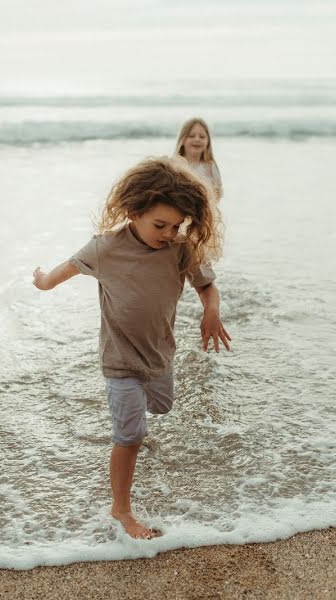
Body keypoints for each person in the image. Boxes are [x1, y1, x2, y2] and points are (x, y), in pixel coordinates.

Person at [31, 157, 231, 540]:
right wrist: (40, 280)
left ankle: (136, 427)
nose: (168, 232)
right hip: (119, 360)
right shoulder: (105, 249)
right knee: (129, 435)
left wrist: (212, 311)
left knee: (161, 406)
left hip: (159, 356)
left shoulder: (180, 249)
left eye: (176, 225)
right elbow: (58, 275)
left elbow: (206, 285)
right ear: (134, 211)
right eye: (160, 224)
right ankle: (121, 509)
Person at [175, 118, 224, 203]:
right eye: (191, 136)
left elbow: (218, 193)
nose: (197, 139)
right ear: (182, 140)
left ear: (208, 142)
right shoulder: (175, 166)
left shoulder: (210, 167)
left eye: (202, 137)